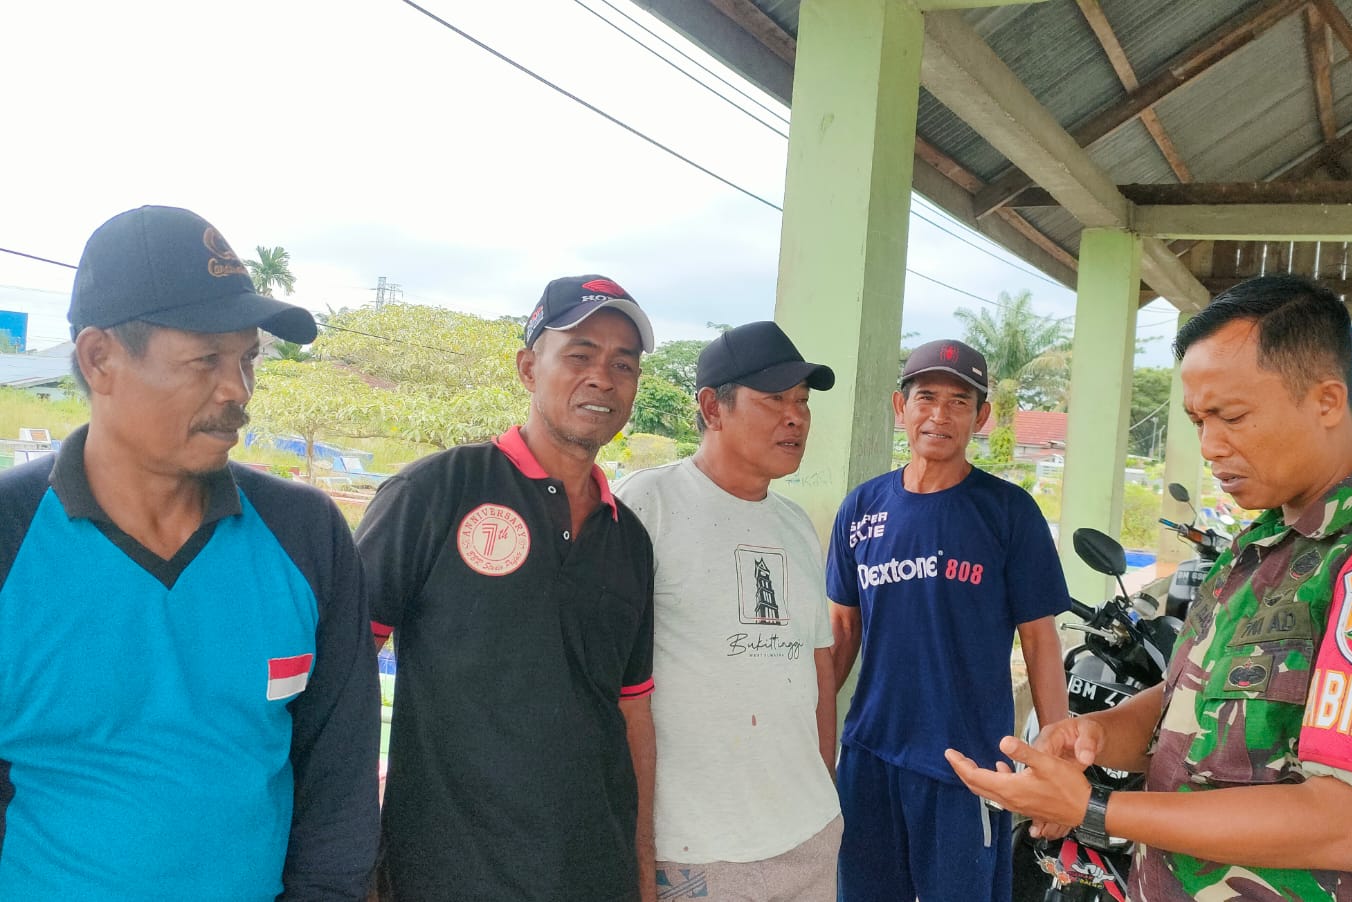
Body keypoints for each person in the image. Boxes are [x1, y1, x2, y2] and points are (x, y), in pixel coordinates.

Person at [947, 274, 1352, 901]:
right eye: (1198, 421)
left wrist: (1094, 809)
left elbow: (1343, 824)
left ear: (1326, 401)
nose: (1210, 446)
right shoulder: (1262, 545)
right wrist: (1097, 732)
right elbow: (1191, 703)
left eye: (1232, 417)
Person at [0, 205, 379, 899]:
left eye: (247, 358)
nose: (238, 390)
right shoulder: (10, 536)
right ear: (100, 359)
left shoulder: (306, 535)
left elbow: (339, 785)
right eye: (206, 359)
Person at [357, 275, 658, 901]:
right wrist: (351, 856)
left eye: (623, 365)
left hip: (592, 874)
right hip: (447, 875)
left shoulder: (628, 537)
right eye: (579, 355)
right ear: (528, 368)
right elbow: (343, 673)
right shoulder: (433, 493)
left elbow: (631, 709)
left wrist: (640, 862)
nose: (603, 379)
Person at [828, 339, 1072, 902]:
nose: (940, 414)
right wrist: (811, 733)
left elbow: (1040, 642)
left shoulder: (1008, 512)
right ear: (901, 407)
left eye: (959, 402)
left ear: (981, 417)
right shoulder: (861, 509)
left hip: (968, 764)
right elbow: (841, 633)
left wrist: (1054, 758)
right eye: (926, 398)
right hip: (871, 754)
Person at [616, 321, 841, 901]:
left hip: (809, 835)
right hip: (696, 852)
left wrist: (825, 788)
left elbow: (817, 664)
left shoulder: (795, 523)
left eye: (802, 401)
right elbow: (607, 681)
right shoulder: (646, 506)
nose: (796, 418)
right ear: (712, 408)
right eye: (774, 400)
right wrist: (636, 848)